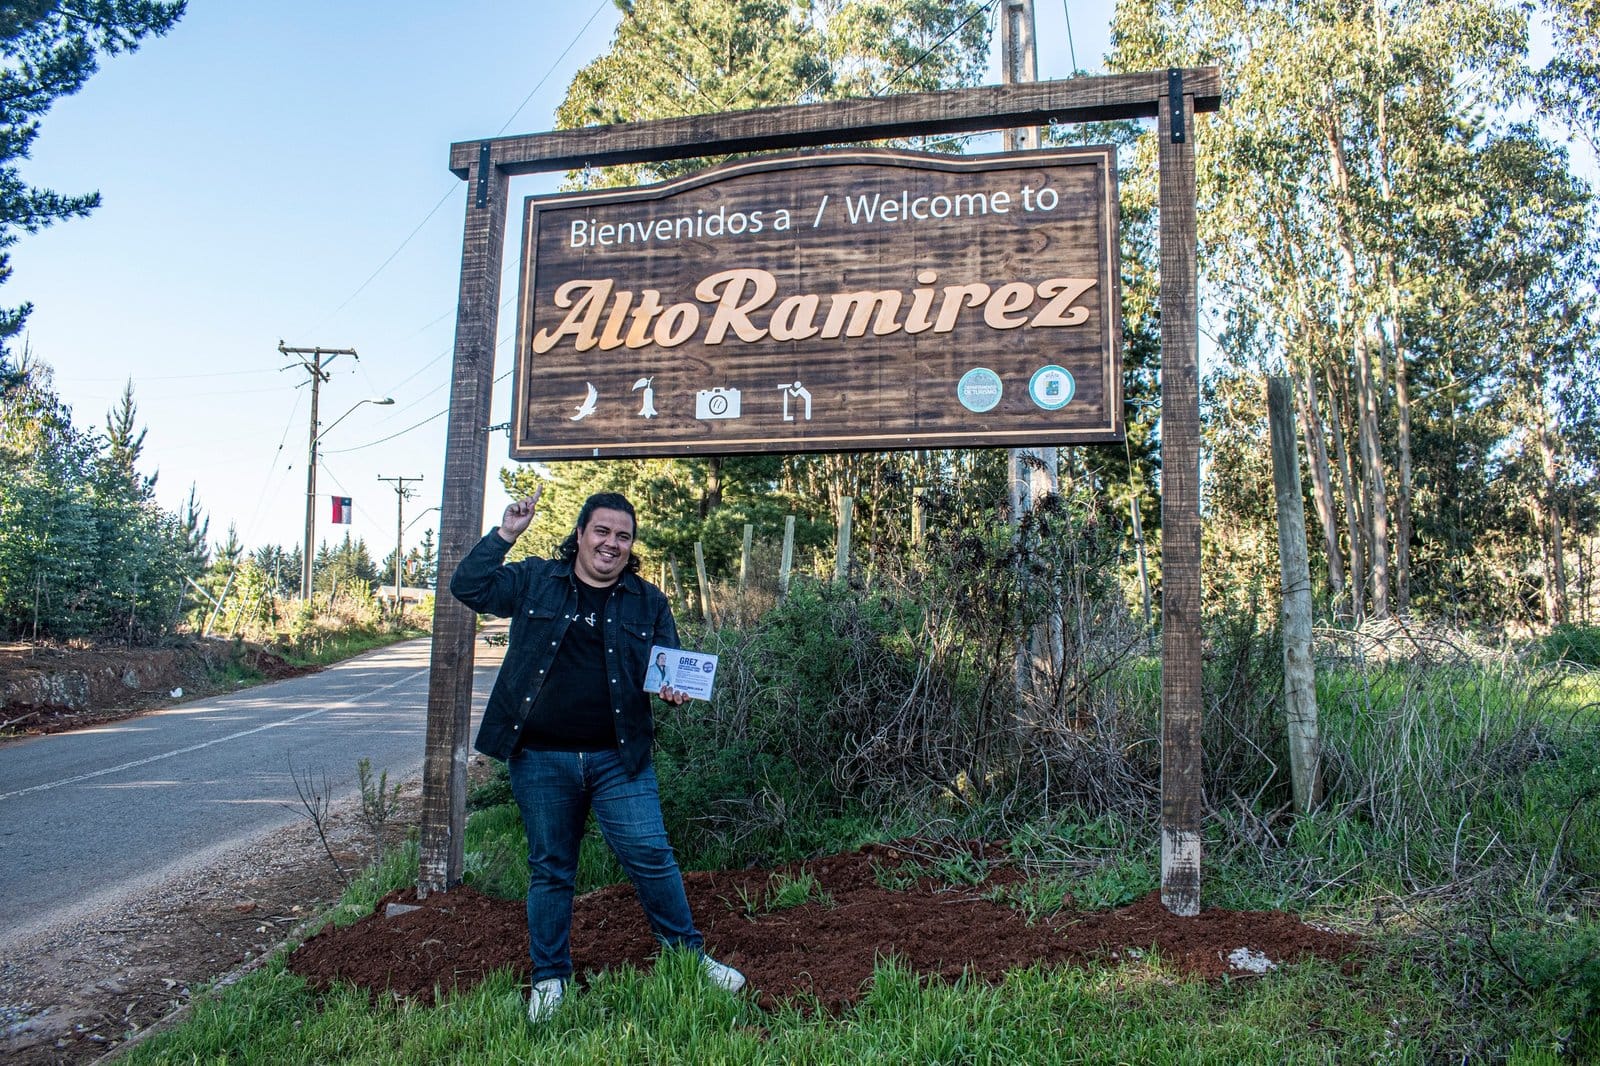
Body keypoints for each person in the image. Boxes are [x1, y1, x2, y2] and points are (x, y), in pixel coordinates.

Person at [450, 488, 745, 1023]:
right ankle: (550, 978)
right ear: (581, 534)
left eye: (623, 537)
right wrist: (506, 534)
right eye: (603, 531)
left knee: (651, 855)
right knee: (551, 868)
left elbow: (668, 671)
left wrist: (673, 691)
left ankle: (690, 957)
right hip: (540, 757)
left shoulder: (647, 601)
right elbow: (468, 586)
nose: (612, 544)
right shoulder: (537, 579)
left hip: (618, 759)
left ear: (631, 547)